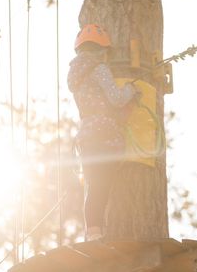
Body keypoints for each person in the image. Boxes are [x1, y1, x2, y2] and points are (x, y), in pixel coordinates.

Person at [67, 24, 139, 241]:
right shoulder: (99, 68)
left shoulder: (75, 75)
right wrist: (131, 90)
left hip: (86, 136)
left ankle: (93, 232)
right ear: (101, 50)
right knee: (103, 186)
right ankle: (98, 232)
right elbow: (116, 99)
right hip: (105, 135)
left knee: (93, 186)